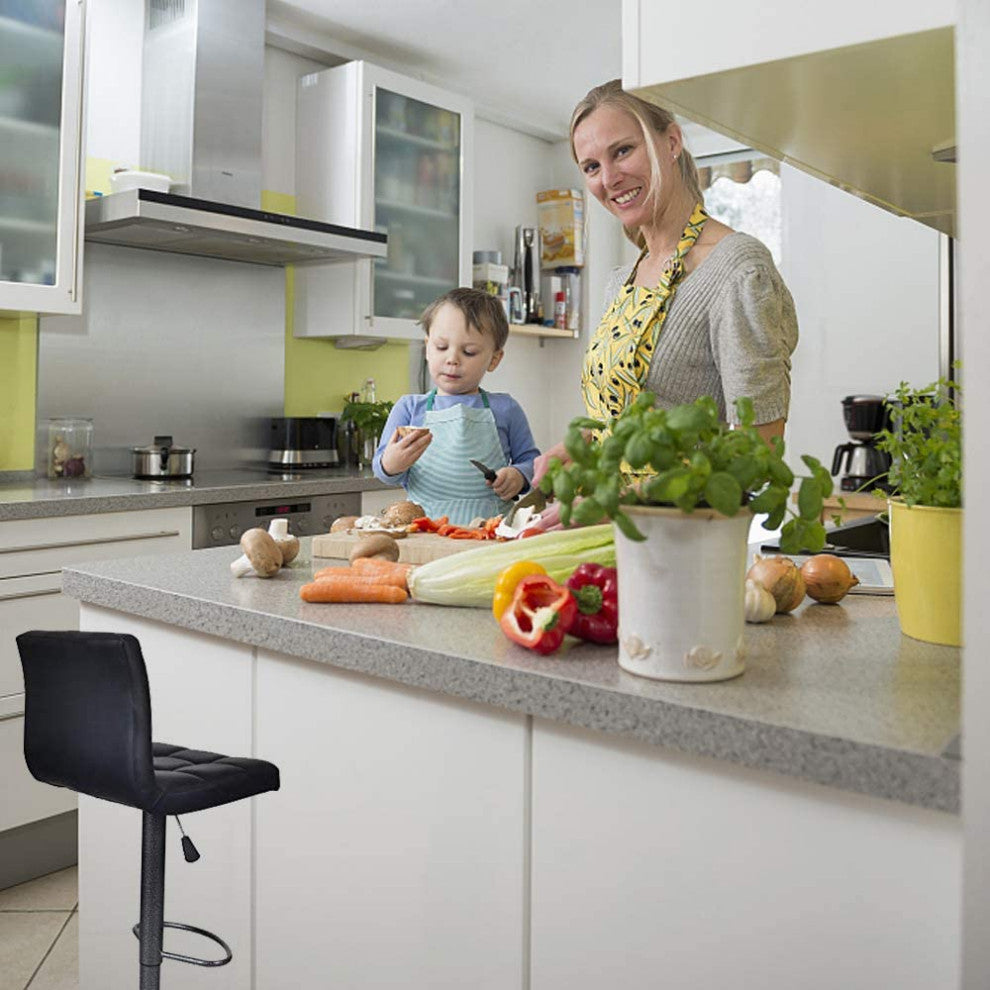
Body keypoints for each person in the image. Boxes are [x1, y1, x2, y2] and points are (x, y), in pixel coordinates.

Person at [533, 79, 798, 495]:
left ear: (671, 141)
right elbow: (632, 421)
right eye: (591, 167)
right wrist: (578, 448)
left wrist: (629, 500)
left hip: (684, 539)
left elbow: (758, 453)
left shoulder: (738, 270)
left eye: (622, 151)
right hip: (603, 532)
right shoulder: (620, 282)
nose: (610, 178)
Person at [372, 287, 540, 525]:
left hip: (491, 532)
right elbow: (382, 472)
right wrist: (392, 463)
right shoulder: (409, 408)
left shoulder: (506, 409)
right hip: (425, 530)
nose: (452, 359)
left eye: (469, 352)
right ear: (427, 348)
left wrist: (519, 476)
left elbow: (533, 464)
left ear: (494, 359)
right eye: (441, 347)